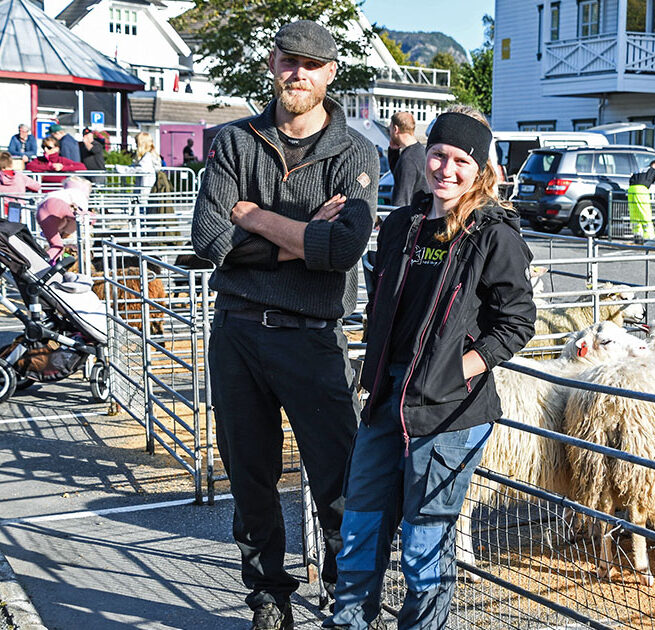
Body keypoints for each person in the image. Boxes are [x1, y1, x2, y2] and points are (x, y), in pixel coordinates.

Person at [190, 19, 378, 630]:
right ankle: (269, 597)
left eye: (312, 64)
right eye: (289, 60)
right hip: (238, 332)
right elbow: (208, 238)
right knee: (250, 475)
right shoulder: (233, 141)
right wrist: (302, 238)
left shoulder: (355, 153)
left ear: (330, 74)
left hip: (312, 335)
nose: (299, 72)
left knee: (339, 479)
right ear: (273, 64)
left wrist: (254, 216)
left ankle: (349, 599)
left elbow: (345, 249)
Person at [326, 107, 535, 630]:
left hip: (447, 411)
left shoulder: (493, 234)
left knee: (424, 543)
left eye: (461, 160)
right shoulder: (403, 225)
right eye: (438, 154)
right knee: (360, 528)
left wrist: (463, 366)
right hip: (385, 399)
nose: (446, 168)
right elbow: (383, 302)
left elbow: (517, 321)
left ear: (480, 168)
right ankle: (349, 622)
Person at [35, 176, 91, 264]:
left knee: (56, 245)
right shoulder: (79, 195)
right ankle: (41, 266)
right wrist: (91, 219)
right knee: (57, 247)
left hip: (42, 210)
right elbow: (82, 216)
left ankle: (44, 264)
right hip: (59, 209)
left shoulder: (60, 193)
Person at [389, 111, 430, 207]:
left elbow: (401, 200)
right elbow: (398, 175)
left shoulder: (408, 159)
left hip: (411, 217)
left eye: (390, 128)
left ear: (395, 129)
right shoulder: (420, 151)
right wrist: (393, 152)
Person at [0, 151, 42, 217]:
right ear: (11, 164)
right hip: (19, 211)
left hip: (2, 211)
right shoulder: (20, 176)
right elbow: (37, 186)